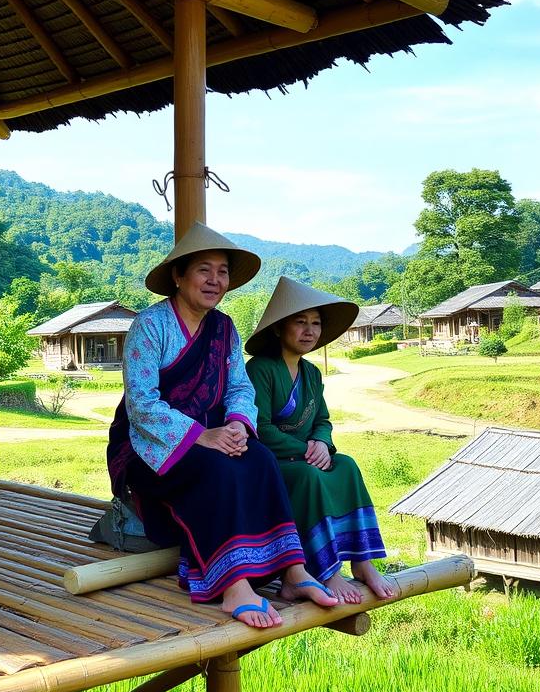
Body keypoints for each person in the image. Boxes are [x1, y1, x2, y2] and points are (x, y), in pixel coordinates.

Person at [106, 223, 338, 629]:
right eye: (203, 270)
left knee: (260, 459)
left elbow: (238, 387)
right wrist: (201, 436)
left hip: (215, 436)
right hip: (151, 446)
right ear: (178, 276)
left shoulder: (224, 327)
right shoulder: (149, 325)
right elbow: (142, 404)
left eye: (223, 271)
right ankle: (234, 586)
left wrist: (235, 425)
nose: (215, 280)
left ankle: (293, 572)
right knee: (215, 471)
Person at [245, 277, 394, 604]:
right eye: (300, 322)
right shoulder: (260, 369)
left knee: (347, 466)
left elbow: (322, 420)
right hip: (273, 463)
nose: (309, 330)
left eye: (315, 323)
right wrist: (305, 451)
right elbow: (259, 427)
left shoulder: (311, 373)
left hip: (308, 455)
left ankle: (363, 562)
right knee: (311, 475)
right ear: (278, 329)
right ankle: (325, 572)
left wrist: (322, 444)